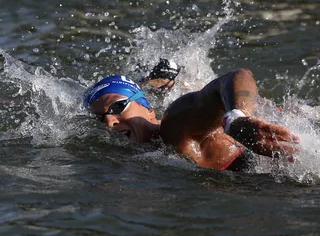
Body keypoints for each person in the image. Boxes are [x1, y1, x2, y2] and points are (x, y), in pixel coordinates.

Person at [85, 62, 300, 171]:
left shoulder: (175, 124)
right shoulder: (148, 156)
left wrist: (238, 119)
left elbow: (238, 75)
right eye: (99, 118)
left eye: (118, 106)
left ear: (149, 109)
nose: (109, 122)